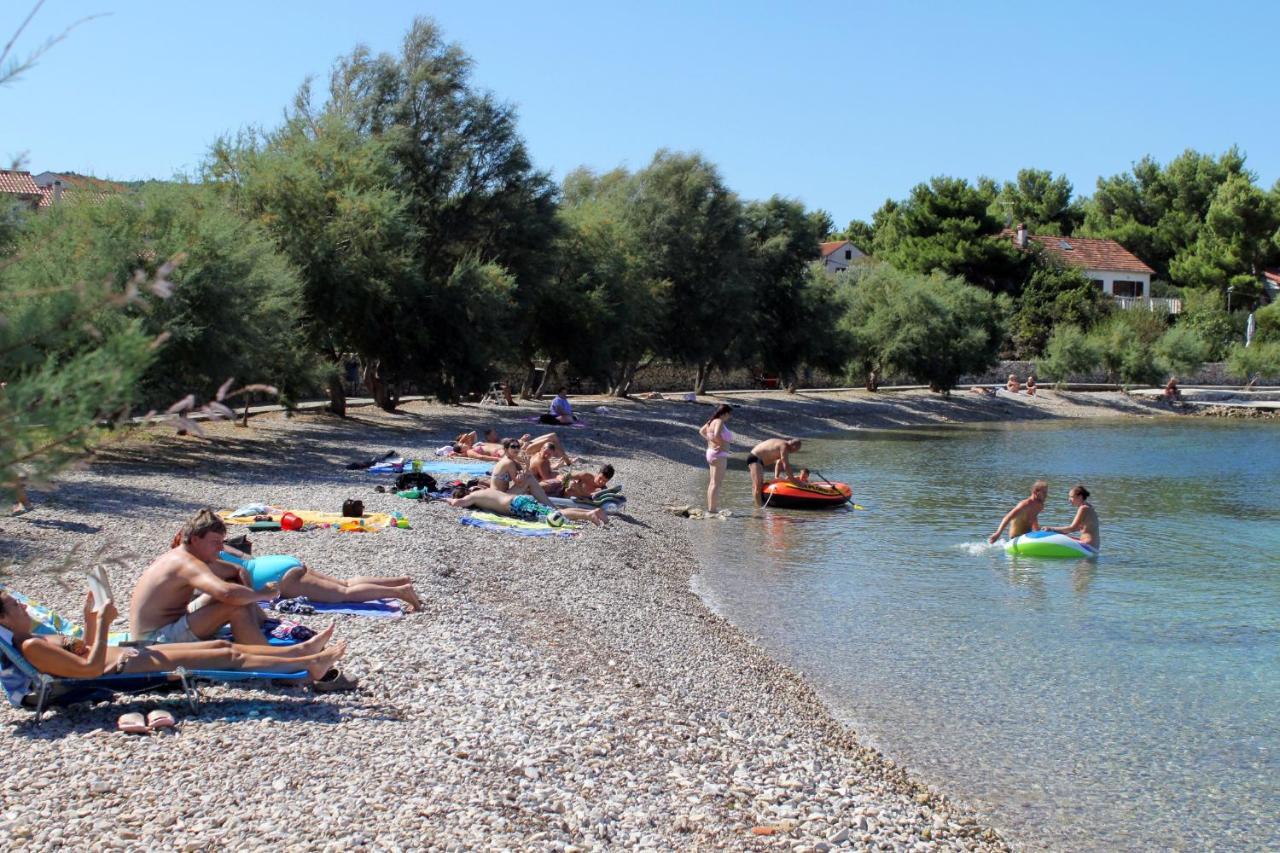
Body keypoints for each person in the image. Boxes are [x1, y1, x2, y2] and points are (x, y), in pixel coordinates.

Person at [1, 589, 346, 682]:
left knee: (219, 645)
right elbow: (89, 671)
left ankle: (303, 652)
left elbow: (87, 651)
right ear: (4, 620)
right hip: (125, 667)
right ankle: (308, 664)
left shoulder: (36, 641)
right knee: (229, 657)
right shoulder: (32, 646)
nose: (24, 607)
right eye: (15, 606)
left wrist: (90, 618)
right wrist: (106, 624)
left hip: (129, 655)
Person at [129, 509, 282, 645]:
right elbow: (227, 594)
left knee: (234, 589)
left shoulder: (186, 555)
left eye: (222, 542)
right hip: (152, 640)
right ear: (195, 539)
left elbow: (237, 571)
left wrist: (250, 605)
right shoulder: (187, 563)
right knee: (234, 606)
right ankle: (268, 660)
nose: (221, 548)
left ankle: (257, 625)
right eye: (215, 542)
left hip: (169, 622)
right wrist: (261, 594)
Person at [211, 539, 422, 611]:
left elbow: (239, 573)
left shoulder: (205, 560)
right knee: (345, 583)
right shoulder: (217, 546)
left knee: (345, 593)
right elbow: (244, 558)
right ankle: (400, 580)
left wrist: (250, 594)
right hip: (275, 562)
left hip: (279, 577)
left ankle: (400, 591)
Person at [447, 487, 606, 527]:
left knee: (552, 516)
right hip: (520, 499)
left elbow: (458, 503)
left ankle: (588, 515)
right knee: (554, 511)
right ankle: (589, 512)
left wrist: (446, 499)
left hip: (517, 505)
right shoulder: (483, 490)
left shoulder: (472, 496)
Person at [698, 404, 734, 513]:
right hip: (719, 455)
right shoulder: (719, 421)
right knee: (716, 483)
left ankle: (711, 508)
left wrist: (711, 441)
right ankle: (713, 510)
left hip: (711, 452)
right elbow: (717, 434)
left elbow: (701, 431)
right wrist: (720, 445)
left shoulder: (711, 421)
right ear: (725, 413)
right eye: (729, 414)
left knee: (712, 482)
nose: (730, 417)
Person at [1044, 485, 1100, 551]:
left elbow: (1072, 528)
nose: (1069, 500)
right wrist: (1057, 532)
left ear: (1080, 497)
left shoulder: (1083, 508)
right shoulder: (1089, 506)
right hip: (1094, 547)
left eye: (1071, 497)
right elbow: (1078, 528)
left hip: (1087, 547)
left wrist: (1051, 529)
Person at [746, 437, 802, 503]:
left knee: (757, 486)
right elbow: (786, 465)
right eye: (796, 450)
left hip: (757, 460)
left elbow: (779, 463)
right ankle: (758, 510)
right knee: (758, 486)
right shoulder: (784, 446)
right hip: (755, 459)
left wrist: (776, 477)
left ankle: (758, 505)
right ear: (794, 447)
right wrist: (793, 480)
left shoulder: (782, 444)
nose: (794, 452)